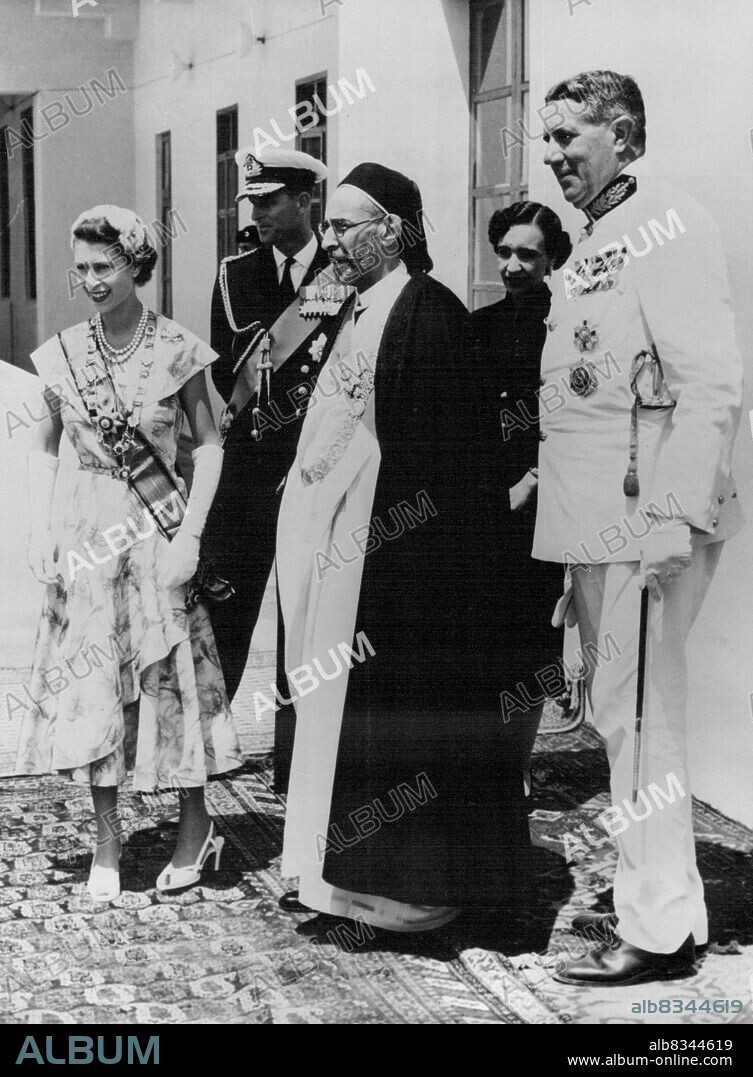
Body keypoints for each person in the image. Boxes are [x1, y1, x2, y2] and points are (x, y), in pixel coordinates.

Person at [275, 162, 531, 929]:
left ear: (391, 229)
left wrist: (411, 561)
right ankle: (337, 876)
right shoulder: (355, 311)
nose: (332, 238)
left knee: (401, 723)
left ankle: (408, 894)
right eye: (330, 225)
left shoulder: (429, 313)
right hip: (346, 552)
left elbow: (452, 466)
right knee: (334, 715)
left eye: (347, 224)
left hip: (407, 567)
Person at [532, 71, 743, 985]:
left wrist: (668, 520)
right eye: (546, 140)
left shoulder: (667, 223)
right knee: (623, 719)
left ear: (620, 134)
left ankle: (656, 933)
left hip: (644, 520)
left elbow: (710, 386)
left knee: (644, 724)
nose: (551, 157)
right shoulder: (599, 238)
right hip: (596, 522)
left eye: (567, 139)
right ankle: (667, 911)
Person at [14, 205, 242, 903]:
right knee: (94, 692)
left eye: (103, 266)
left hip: (155, 536)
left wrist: (192, 538)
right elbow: (53, 451)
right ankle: (106, 846)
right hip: (89, 541)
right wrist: (49, 535)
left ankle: (195, 828)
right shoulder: (62, 355)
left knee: (173, 682)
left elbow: (208, 445)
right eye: (80, 268)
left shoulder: (178, 348)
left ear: (137, 266)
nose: (90, 280)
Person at [201, 148, 348, 792]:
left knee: (305, 609)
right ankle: (207, 743)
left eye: (270, 201)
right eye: (252, 203)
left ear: (306, 201)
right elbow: (219, 368)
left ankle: (298, 757)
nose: (257, 213)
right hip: (250, 464)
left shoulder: (341, 273)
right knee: (224, 601)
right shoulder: (235, 275)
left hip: (317, 463)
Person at [470, 201, 572, 791]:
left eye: (527, 254)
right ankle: (486, 761)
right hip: (490, 506)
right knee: (485, 636)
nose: (512, 266)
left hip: (548, 506)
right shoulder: (475, 330)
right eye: (504, 252)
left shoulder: (568, 329)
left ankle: (517, 763)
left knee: (535, 639)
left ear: (551, 258)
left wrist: (533, 482)